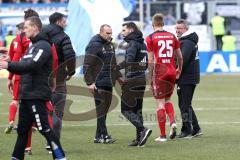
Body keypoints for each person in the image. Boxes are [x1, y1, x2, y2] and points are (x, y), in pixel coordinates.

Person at [0, 16, 66, 160]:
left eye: (26, 27)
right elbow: (25, 65)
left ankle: (61, 158)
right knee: (23, 131)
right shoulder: (33, 46)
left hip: (37, 95)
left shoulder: (43, 45)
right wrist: (10, 62)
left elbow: (32, 65)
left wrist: (8, 65)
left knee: (46, 129)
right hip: (27, 95)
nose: (23, 31)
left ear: (35, 27)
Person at [146, 13, 183, 142]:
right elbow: (179, 56)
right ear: (163, 23)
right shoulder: (172, 36)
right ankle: (172, 122)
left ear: (152, 24)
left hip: (160, 73)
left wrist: (150, 77)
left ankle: (162, 135)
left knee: (160, 104)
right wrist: (179, 69)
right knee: (168, 100)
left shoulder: (150, 37)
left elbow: (151, 59)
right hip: (172, 71)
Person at [83, 24, 121, 144]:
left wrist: (119, 77)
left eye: (111, 33)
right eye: (107, 33)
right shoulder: (94, 45)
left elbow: (113, 62)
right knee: (101, 109)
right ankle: (104, 135)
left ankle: (98, 136)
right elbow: (87, 64)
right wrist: (89, 82)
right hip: (98, 81)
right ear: (101, 32)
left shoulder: (110, 45)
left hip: (109, 80)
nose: (110, 35)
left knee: (104, 109)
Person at [42, 12, 76, 140]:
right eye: (64, 21)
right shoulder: (63, 36)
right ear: (58, 22)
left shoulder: (40, 33)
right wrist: (71, 71)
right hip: (58, 76)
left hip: (41, 77)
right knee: (57, 110)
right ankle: (53, 142)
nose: (65, 23)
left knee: (44, 109)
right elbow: (70, 56)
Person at [118, 22, 152, 147]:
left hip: (132, 79)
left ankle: (143, 129)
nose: (122, 32)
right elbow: (146, 62)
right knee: (138, 110)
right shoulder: (142, 44)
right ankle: (139, 139)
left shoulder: (132, 44)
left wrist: (117, 67)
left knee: (125, 110)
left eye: (124, 30)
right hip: (141, 78)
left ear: (131, 30)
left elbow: (129, 61)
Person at [175, 19, 203, 138]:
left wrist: (175, 72)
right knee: (187, 104)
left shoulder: (187, 42)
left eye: (180, 28)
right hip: (190, 76)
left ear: (186, 29)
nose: (177, 30)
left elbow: (183, 59)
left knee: (184, 105)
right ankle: (196, 129)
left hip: (186, 77)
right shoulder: (189, 41)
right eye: (176, 28)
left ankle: (187, 130)